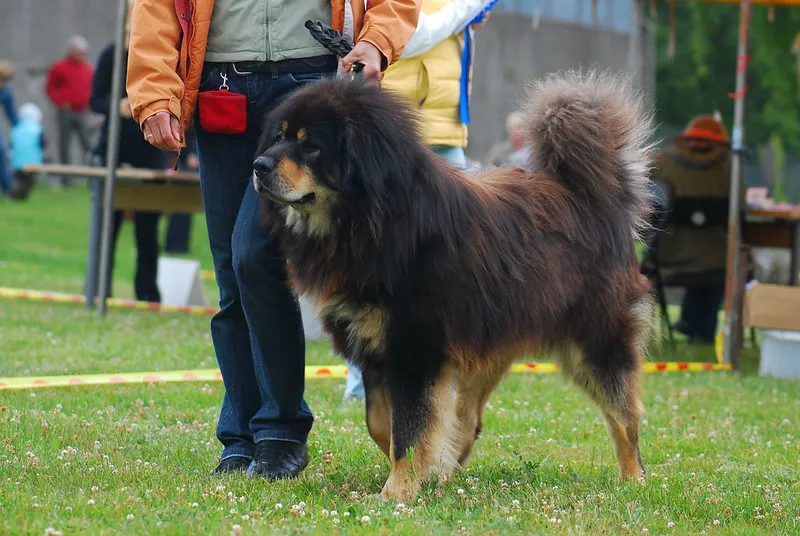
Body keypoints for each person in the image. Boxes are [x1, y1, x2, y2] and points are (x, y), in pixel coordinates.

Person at [128, 0, 421, 479]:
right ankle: (241, 436)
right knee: (231, 275)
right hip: (220, 87)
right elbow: (155, 10)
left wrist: (375, 41)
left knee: (253, 254)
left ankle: (281, 431)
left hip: (308, 85)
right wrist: (155, 94)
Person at [345, 0, 493, 400]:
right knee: (372, 258)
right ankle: (364, 381)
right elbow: (406, 36)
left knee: (455, 265)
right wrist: (468, 8)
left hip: (447, 133)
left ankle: (446, 368)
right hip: (394, 129)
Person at [91, 7, 166, 303]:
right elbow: (94, 99)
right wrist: (118, 106)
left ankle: (147, 293)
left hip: (151, 152)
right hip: (116, 150)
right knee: (108, 228)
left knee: (148, 232)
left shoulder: (156, 55)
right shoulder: (112, 54)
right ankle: (99, 289)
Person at [649, 115, 733, 344]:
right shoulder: (732, 166)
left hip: (670, 255)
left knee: (697, 257)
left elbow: (650, 207)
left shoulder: (662, 161)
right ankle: (703, 330)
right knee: (712, 260)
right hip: (719, 258)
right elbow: (741, 206)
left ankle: (690, 321)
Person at [381, 0, 493, 170]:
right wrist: (466, 8)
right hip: (402, 127)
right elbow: (407, 37)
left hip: (447, 128)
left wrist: (470, 17)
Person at [45, 35, 94, 183]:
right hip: (66, 111)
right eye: (79, 52)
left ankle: (92, 177)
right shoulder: (59, 67)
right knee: (64, 144)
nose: (82, 55)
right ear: (71, 51)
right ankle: (66, 180)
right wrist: (59, 101)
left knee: (87, 144)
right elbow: (50, 88)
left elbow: (93, 89)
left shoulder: (88, 69)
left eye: (83, 52)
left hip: (82, 111)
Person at [7, 103, 45, 201]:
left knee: (21, 180)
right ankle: (16, 196)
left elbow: (11, 145)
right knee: (28, 182)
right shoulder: (38, 130)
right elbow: (43, 144)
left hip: (17, 162)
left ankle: (16, 195)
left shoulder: (16, 129)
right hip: (33, 162)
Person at [0, 60, 19, 197]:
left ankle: (8, 188)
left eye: (5, 80)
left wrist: (22, 131)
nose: (2, 83)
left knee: (2, 152)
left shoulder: (6, 91)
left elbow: (12, 115)